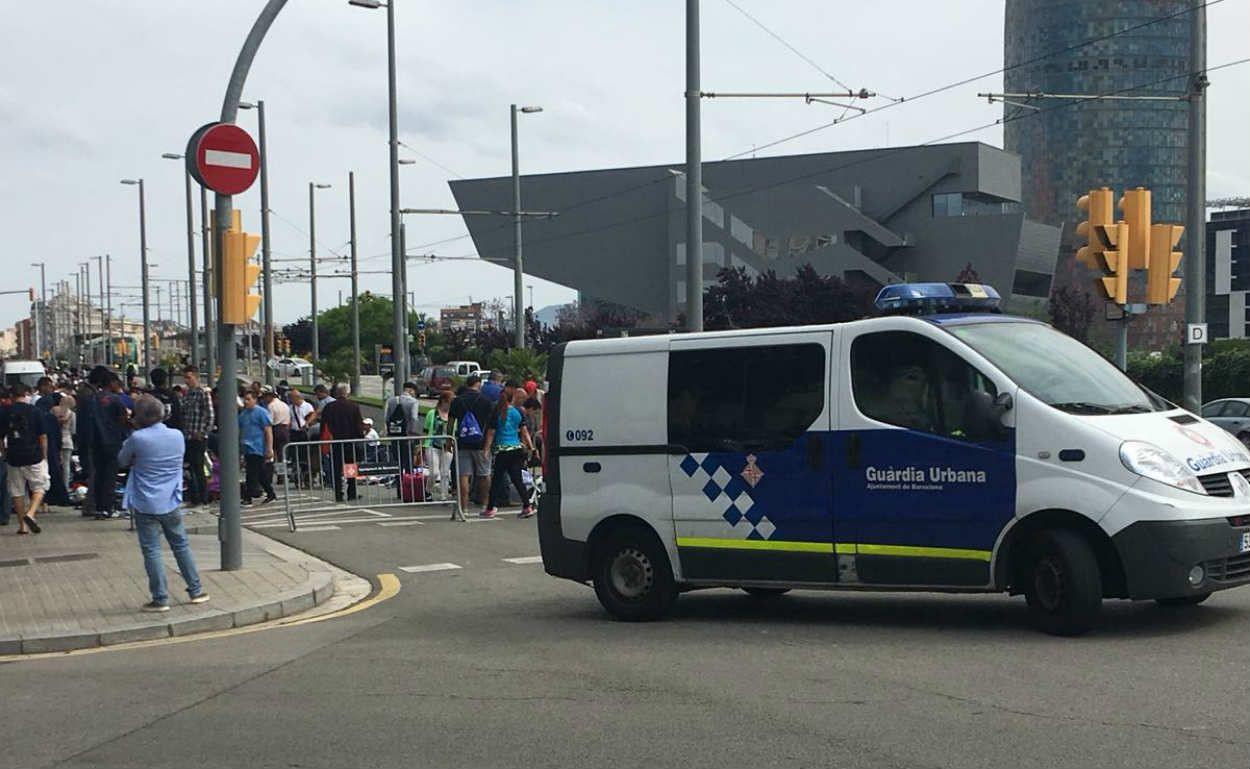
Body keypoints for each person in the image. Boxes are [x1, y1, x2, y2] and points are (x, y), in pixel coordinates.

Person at [119, 395, 209, 612]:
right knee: (181, 545)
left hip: (145, 501)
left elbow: (122, 460)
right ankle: (196, 590)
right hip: (171, 499)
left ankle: (160, 598)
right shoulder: (177, 435)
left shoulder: (138, 438)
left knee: (152, 550)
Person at [482, 382, 536, 519]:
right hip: (516, 448)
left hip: (502, 449)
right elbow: (524, 431)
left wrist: (486, 450)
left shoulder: (497, 412)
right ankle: (527, 505)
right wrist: (530, 447)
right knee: (517, 479)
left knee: (497, 480)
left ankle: (491, 507)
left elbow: (491, 433)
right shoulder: (518, 412)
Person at [2, 383, 49, 534]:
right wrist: (44, 455)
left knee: (17, 491)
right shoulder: (35, 411)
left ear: (11, 396)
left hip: (13, 456)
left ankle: (22, 526)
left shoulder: (5, 413)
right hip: (34, 455)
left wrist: (4, 453)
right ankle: (31, 512)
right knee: (40, 487)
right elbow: (42, 436)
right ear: (26, 394)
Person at [449, 375, 496, 516]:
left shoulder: (457, 401)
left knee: (464, 475)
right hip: (481, 443)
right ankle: (485, 504)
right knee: (484, 474)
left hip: (462, 442)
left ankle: (464, 508)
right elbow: (491, 428)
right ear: (479, 384)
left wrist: (448, 441)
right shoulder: (487, 402)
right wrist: (487, 448)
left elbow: (450, 423)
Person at [91, 372, 131, 519]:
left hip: (96, 442)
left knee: (99, 474)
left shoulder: (94, 398)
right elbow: (123, 419)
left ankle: (99, 507)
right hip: (113, 441)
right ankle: (108, 507)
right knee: (110, 475)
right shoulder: (115, 399)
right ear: (112, 383)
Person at [319, 385, 364, 502]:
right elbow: (358, 424)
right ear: (347, 393)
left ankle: (338, 493)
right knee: (350, 467)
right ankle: (351, 491)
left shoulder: (329, 407)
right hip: (350, 441)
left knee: (337, 468)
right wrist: (360, 437)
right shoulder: (353, 406)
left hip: (336, 441)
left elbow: (323, 425)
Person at [180, 366, 214, 508]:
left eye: (189, 377)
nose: (187, 380)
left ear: (196, 377)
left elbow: (210, 415)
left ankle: (203, 497)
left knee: (198, 467)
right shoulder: (187, 394)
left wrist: (203, 432)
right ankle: (194, 496)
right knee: (190, 468)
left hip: (198, 436)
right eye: (185, 377)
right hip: (188, 435)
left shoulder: (202, 393)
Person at [238, 390, 275, 505]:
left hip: (258, 446)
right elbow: (240, 429)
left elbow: (268, 431)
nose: (246, 401)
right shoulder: (243, 414)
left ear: (255, 400)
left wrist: (269, 448)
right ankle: (270, 493)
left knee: (251, 472)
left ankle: (248, 496)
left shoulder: (261, 412)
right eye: (245, 399)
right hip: (247, 447)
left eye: (249, 399)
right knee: (260, 473)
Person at [383, 381, 421, 474]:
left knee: (397, 461)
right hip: (407, 436)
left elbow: (387, 417)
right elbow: (414, 418)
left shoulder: (391, 400)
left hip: (394, 435)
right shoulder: (413, 402)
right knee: (408, 461)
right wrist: (414, 434)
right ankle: (408, 484)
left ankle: (398, 484)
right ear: (411, 390)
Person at [423, 389, 454, 501]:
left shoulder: (453, 415)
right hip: (432, 445)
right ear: (443, 401)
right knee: (434, 472)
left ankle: (444, 495)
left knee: (445, 472)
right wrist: (421, 445)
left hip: (447, 446)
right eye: (449, 402)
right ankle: (427, 490)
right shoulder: (432, 413)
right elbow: (426, 430)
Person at [263, 386, 291, 490]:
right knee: (282, 454)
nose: (265, 399)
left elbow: (269, 420)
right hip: (285, 429)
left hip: (275, 429)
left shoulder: (271, 406)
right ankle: (282, 475)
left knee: (272, 453)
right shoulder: (285, 405)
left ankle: (270, 475)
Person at [287, 388, 315, 489]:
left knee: (306, 457)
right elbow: (289, 421)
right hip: (294, 433)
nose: (291, 399)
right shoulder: (290, 408)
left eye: (293, 397)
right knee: (296, 457)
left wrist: (307, 424)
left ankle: (307, 478)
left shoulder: (307, 406)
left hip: (304, 433)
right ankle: (297, 478)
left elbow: (312, 417)